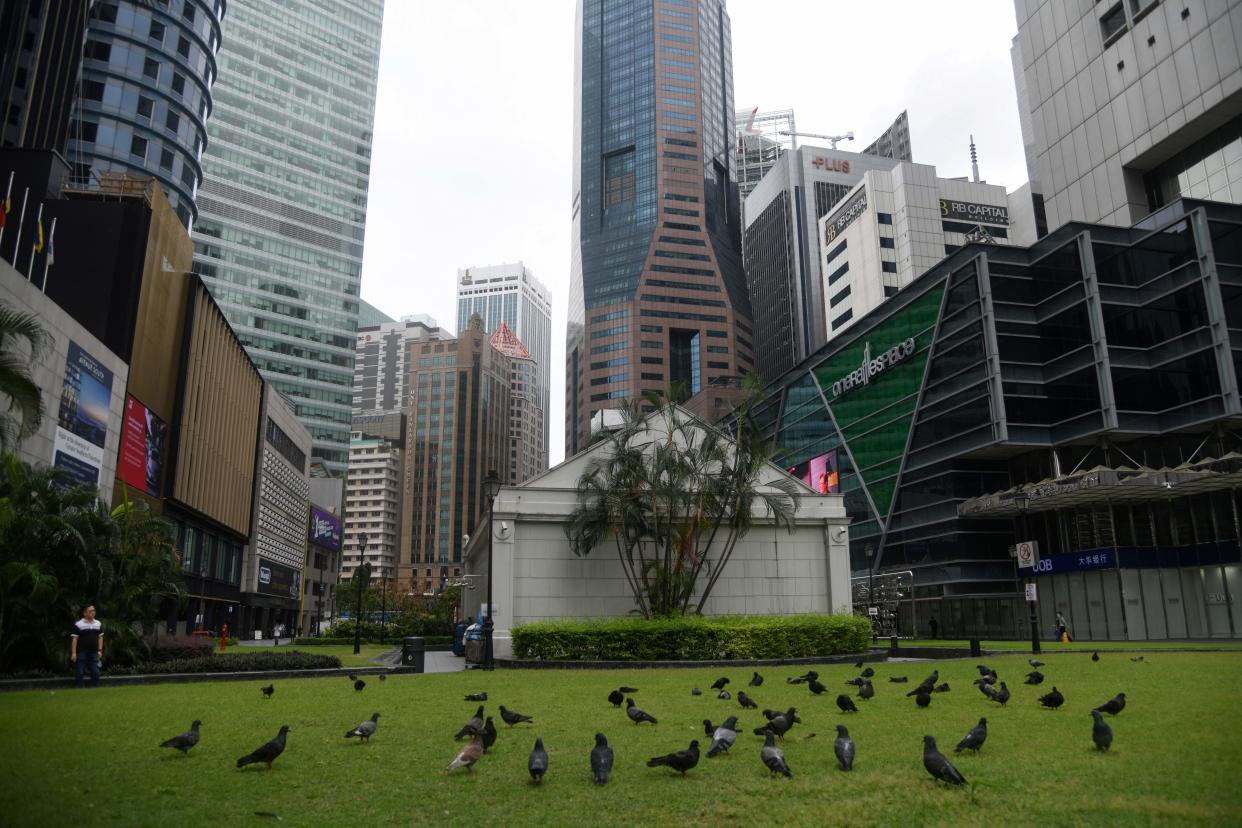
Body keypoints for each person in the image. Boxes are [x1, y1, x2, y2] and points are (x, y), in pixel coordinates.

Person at [70, 605, 103, 688]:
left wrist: (100, 650)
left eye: (94, 611)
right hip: (81, 651)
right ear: (84, 613)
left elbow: (100, 638)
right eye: (90, 611)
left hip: (94, 652)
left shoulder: (98, 623)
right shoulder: (78, 624)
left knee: (95, 671)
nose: (93, 612)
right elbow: (74, 639)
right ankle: (79, 687)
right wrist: (74, 653)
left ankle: (95, 687)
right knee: (80, 671)